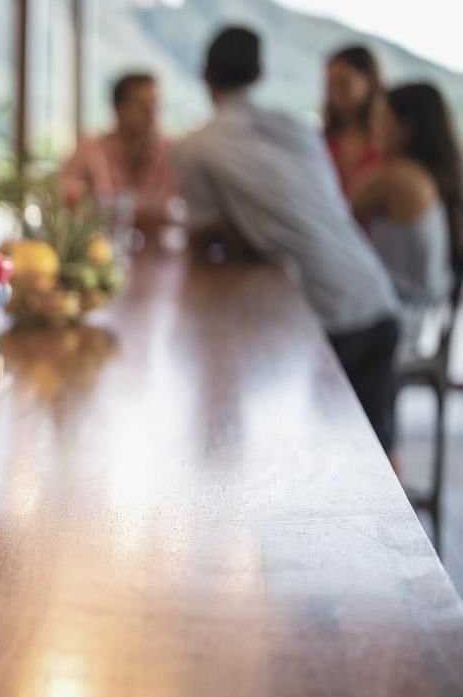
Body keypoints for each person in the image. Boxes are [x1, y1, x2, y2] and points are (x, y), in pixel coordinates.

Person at [173, 27, 401, 452]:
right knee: (379, 453)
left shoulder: (195, 148)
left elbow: (204, 241)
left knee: (337, 458)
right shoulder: (299, 129)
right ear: (260, 72)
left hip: (327, 314)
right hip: (373, 295)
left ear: (204, 75)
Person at [351, 83, 460, 357]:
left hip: (398, 320)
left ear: (405, 127)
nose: (374, 126)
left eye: (381, 117)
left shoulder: (395, 176)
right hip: (427, 316)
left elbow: (335, 222)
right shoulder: (433, 176)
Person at [60, 72, 179, 232]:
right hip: (101, 251)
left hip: (161, 254)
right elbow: (63, 201)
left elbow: (187, 212)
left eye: (154, 105)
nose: (151, 113)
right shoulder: (89, 151)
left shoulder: (172, 153)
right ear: (119, 109)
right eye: (142, 106)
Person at [324, 45, 386, 198]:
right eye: (330, 86)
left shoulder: (387, 142)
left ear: (369, 80)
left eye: (344, 83)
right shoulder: (325, 139)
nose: (336, 94)